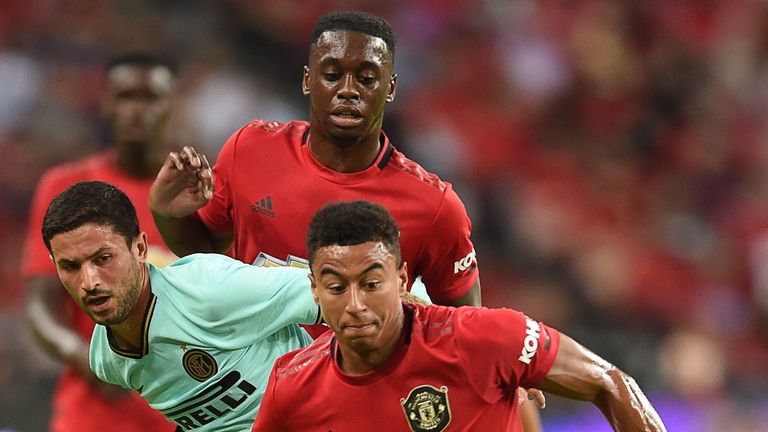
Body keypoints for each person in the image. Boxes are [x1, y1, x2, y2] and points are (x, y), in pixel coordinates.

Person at [148, 11, 544, 428]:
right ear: (307, 80)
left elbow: (465, 327)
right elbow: (207, 252)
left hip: (360, 411)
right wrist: (168, 214)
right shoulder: (250, 150)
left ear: (390, 87)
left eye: (367, 78)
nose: (348, 91)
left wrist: (507, 378)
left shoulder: (432, 205)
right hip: (247, 399)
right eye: (332, 74)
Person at [251, 200, 668, 432]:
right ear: (314, 290)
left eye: (372, 284)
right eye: (338, 288)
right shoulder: (292, 386)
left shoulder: (480, 338)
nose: (355, 304)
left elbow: (609, 383)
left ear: (401, 279)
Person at [42, 180, 321, 431]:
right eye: (70, 266)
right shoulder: (107, 361)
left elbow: (335, 293)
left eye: (103, 259)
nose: (89, 281)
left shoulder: (208, 288)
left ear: (139, 249)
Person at [21, 52, 181, 431]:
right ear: (106, 104)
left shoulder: (199, 191)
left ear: (172, 105)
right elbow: (39, 305)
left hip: (184, 411)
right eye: (126, 97)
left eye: (151, 97)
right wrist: (87, 359)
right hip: (93, 414)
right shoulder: (65, 188)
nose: (137, 110)